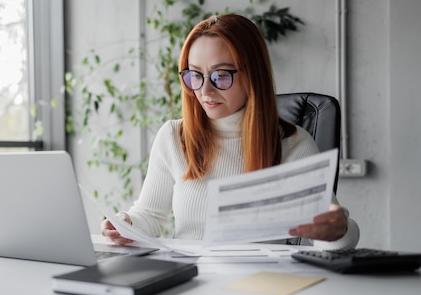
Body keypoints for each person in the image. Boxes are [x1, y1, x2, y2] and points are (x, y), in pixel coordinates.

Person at [101, 14, 360, 249]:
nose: (204, 91)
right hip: (189, 282)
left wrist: (337, 231)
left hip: (259, 287)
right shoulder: (173, 136)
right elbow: (149, 215)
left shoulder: (293, 144)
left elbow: (336, 236)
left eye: (221, 75)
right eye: (195, 75)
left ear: (252, 75)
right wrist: (125, 224)